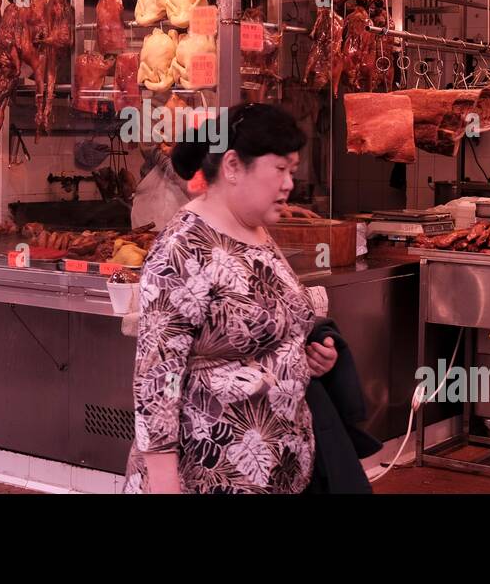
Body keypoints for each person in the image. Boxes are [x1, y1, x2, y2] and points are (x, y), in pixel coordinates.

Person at [124, 103, 340, 494]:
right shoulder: (183, 247)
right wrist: (164, 484)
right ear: (233, 166)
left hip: (276, 475)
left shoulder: (256, 234)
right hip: (206, 477)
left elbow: (257, 331)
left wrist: (306, 356)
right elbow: (157, 378)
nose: (289, 183)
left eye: (291, 170)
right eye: (279, 169)